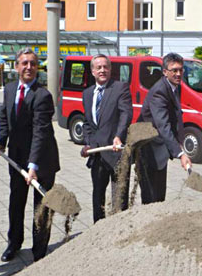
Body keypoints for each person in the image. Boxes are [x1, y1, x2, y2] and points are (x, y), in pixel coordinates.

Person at [0, 48, 60, 263]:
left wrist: (33, 166)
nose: (29, 67)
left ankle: (39, 250)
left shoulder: (43, 95)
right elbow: (5, 118)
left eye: (32, 63)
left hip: (43, 160)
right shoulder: (10, 89)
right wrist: (1, 142)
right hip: (17, 158)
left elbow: (40, 132)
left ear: (37, 67)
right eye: (24, 63)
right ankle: (14, 243)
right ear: (17, 66)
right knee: (16, 202)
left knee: (42, 206)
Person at [80, 54, 133, 223]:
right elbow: (88, 123)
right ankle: (98, 231)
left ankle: (118, 232)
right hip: (97, 155)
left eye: (106, 67)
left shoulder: (120, 88)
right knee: (98, 197)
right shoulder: (87, 94)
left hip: (116, 152)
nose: (102, 70)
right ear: (93, 71)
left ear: (110, 69)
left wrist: (119, 136)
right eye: (99, 67)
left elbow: (126, 114)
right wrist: (88, 144)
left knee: (119, 198)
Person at [137, 52, 192, 203]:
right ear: (165, 72)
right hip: (150, 150)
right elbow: (163, 125)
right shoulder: (160, 91)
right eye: (174, 70)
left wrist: (179, 144)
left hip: (160, 149)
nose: (179, 73)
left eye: (181, 70)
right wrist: (181, 154)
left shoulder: (174, 86)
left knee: (160, 195)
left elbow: (175, 117)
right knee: (151, 198)